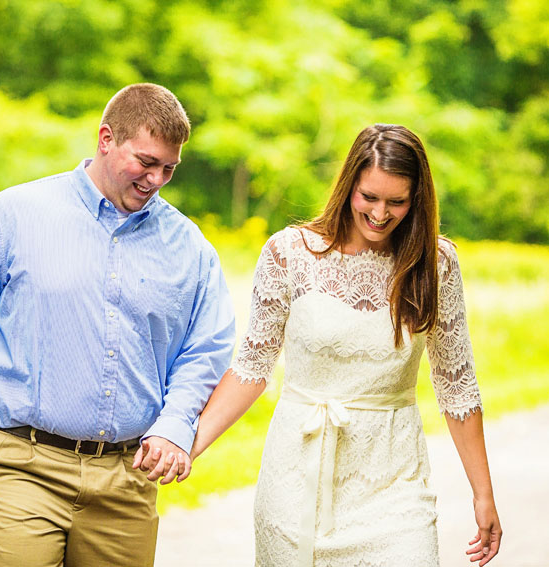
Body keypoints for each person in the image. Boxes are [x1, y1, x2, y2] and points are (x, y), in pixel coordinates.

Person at [0, 83, 235, 567]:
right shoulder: (15, 215)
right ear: (106, 138)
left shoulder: (188, 246)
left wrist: (176, 424)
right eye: (146, 162)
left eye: (168, 169)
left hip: (125, 480)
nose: (155, 179)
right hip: (14, 466)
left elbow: (205, 349)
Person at [190, 124, 502, 567]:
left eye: (397, 201)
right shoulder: (289, 253)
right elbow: (251, 369)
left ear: (417, 199)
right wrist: (188, 444)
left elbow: (458, 387)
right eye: (369, 197)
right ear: (348, 186)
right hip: (297, 478)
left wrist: (483, 494)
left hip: (395, 484)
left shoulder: (436, 264)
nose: (380, 213)